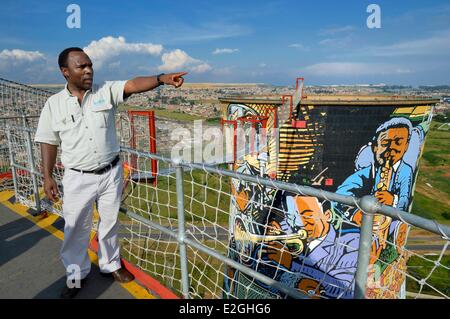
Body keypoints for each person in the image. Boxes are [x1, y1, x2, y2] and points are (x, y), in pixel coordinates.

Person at [34, 47, 187, 298]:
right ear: (65, 72)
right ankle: (76, 273)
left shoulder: (104, 92)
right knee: (75, 227)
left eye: (90, 65)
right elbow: (48, 141)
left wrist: (161, 79)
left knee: (110, 222)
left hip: (110, 172)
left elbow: (133, 85)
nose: (88, 70)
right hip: (77, 176)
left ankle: (110, 264)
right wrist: (47, 176)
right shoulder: (53, 105)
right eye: (81, 66)